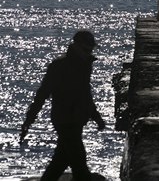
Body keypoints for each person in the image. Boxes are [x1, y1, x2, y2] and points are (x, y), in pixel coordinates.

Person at [20, 30, 105, 181]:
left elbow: (85, 94)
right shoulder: (58, 66)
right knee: (79, 163)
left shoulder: (85, 65)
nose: (89, 52)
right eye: (86, 49)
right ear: (76, 46)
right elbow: (42, 94)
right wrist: (29, 119)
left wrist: (96, 117)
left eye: (91, 49)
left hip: (77, 119)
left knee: (61, 160)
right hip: (64, 120)